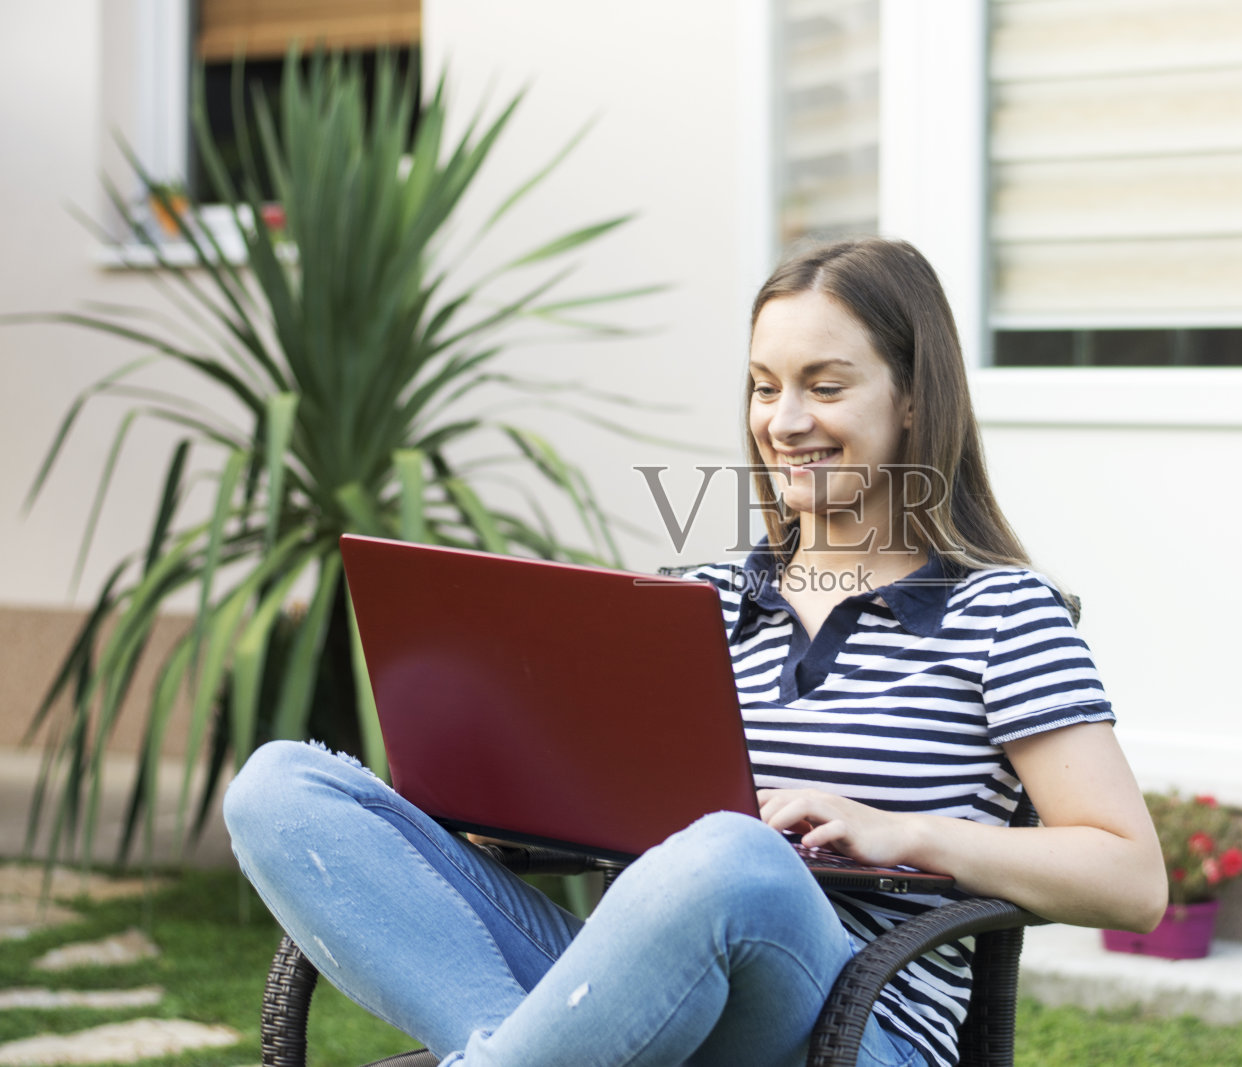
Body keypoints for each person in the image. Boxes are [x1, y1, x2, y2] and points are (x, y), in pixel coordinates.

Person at [224, 237, 1166, 1067]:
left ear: (916, 398)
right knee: (279, 785)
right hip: (638, 996)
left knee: (732, 855)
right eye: (765, 387)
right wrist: (503, 794)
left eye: (826, 386)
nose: (785, 421)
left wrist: (902, 830)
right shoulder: (696, 599)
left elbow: (1132, 878)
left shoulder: (1001, 610)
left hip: (852, 1028)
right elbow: (606, 811)